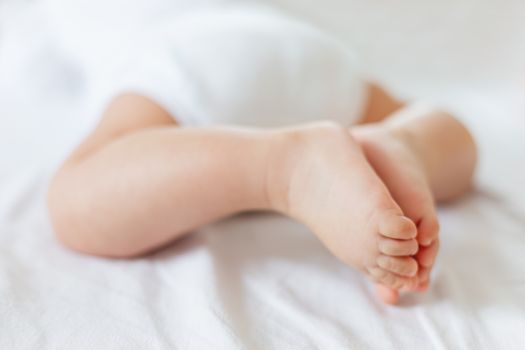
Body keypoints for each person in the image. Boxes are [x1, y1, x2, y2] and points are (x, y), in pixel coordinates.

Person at [46, 7, 477, 304]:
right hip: (304, 49)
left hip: (189, 52)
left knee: (76, 198)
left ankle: (284, 169)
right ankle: (402, 142)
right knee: (434, 124)